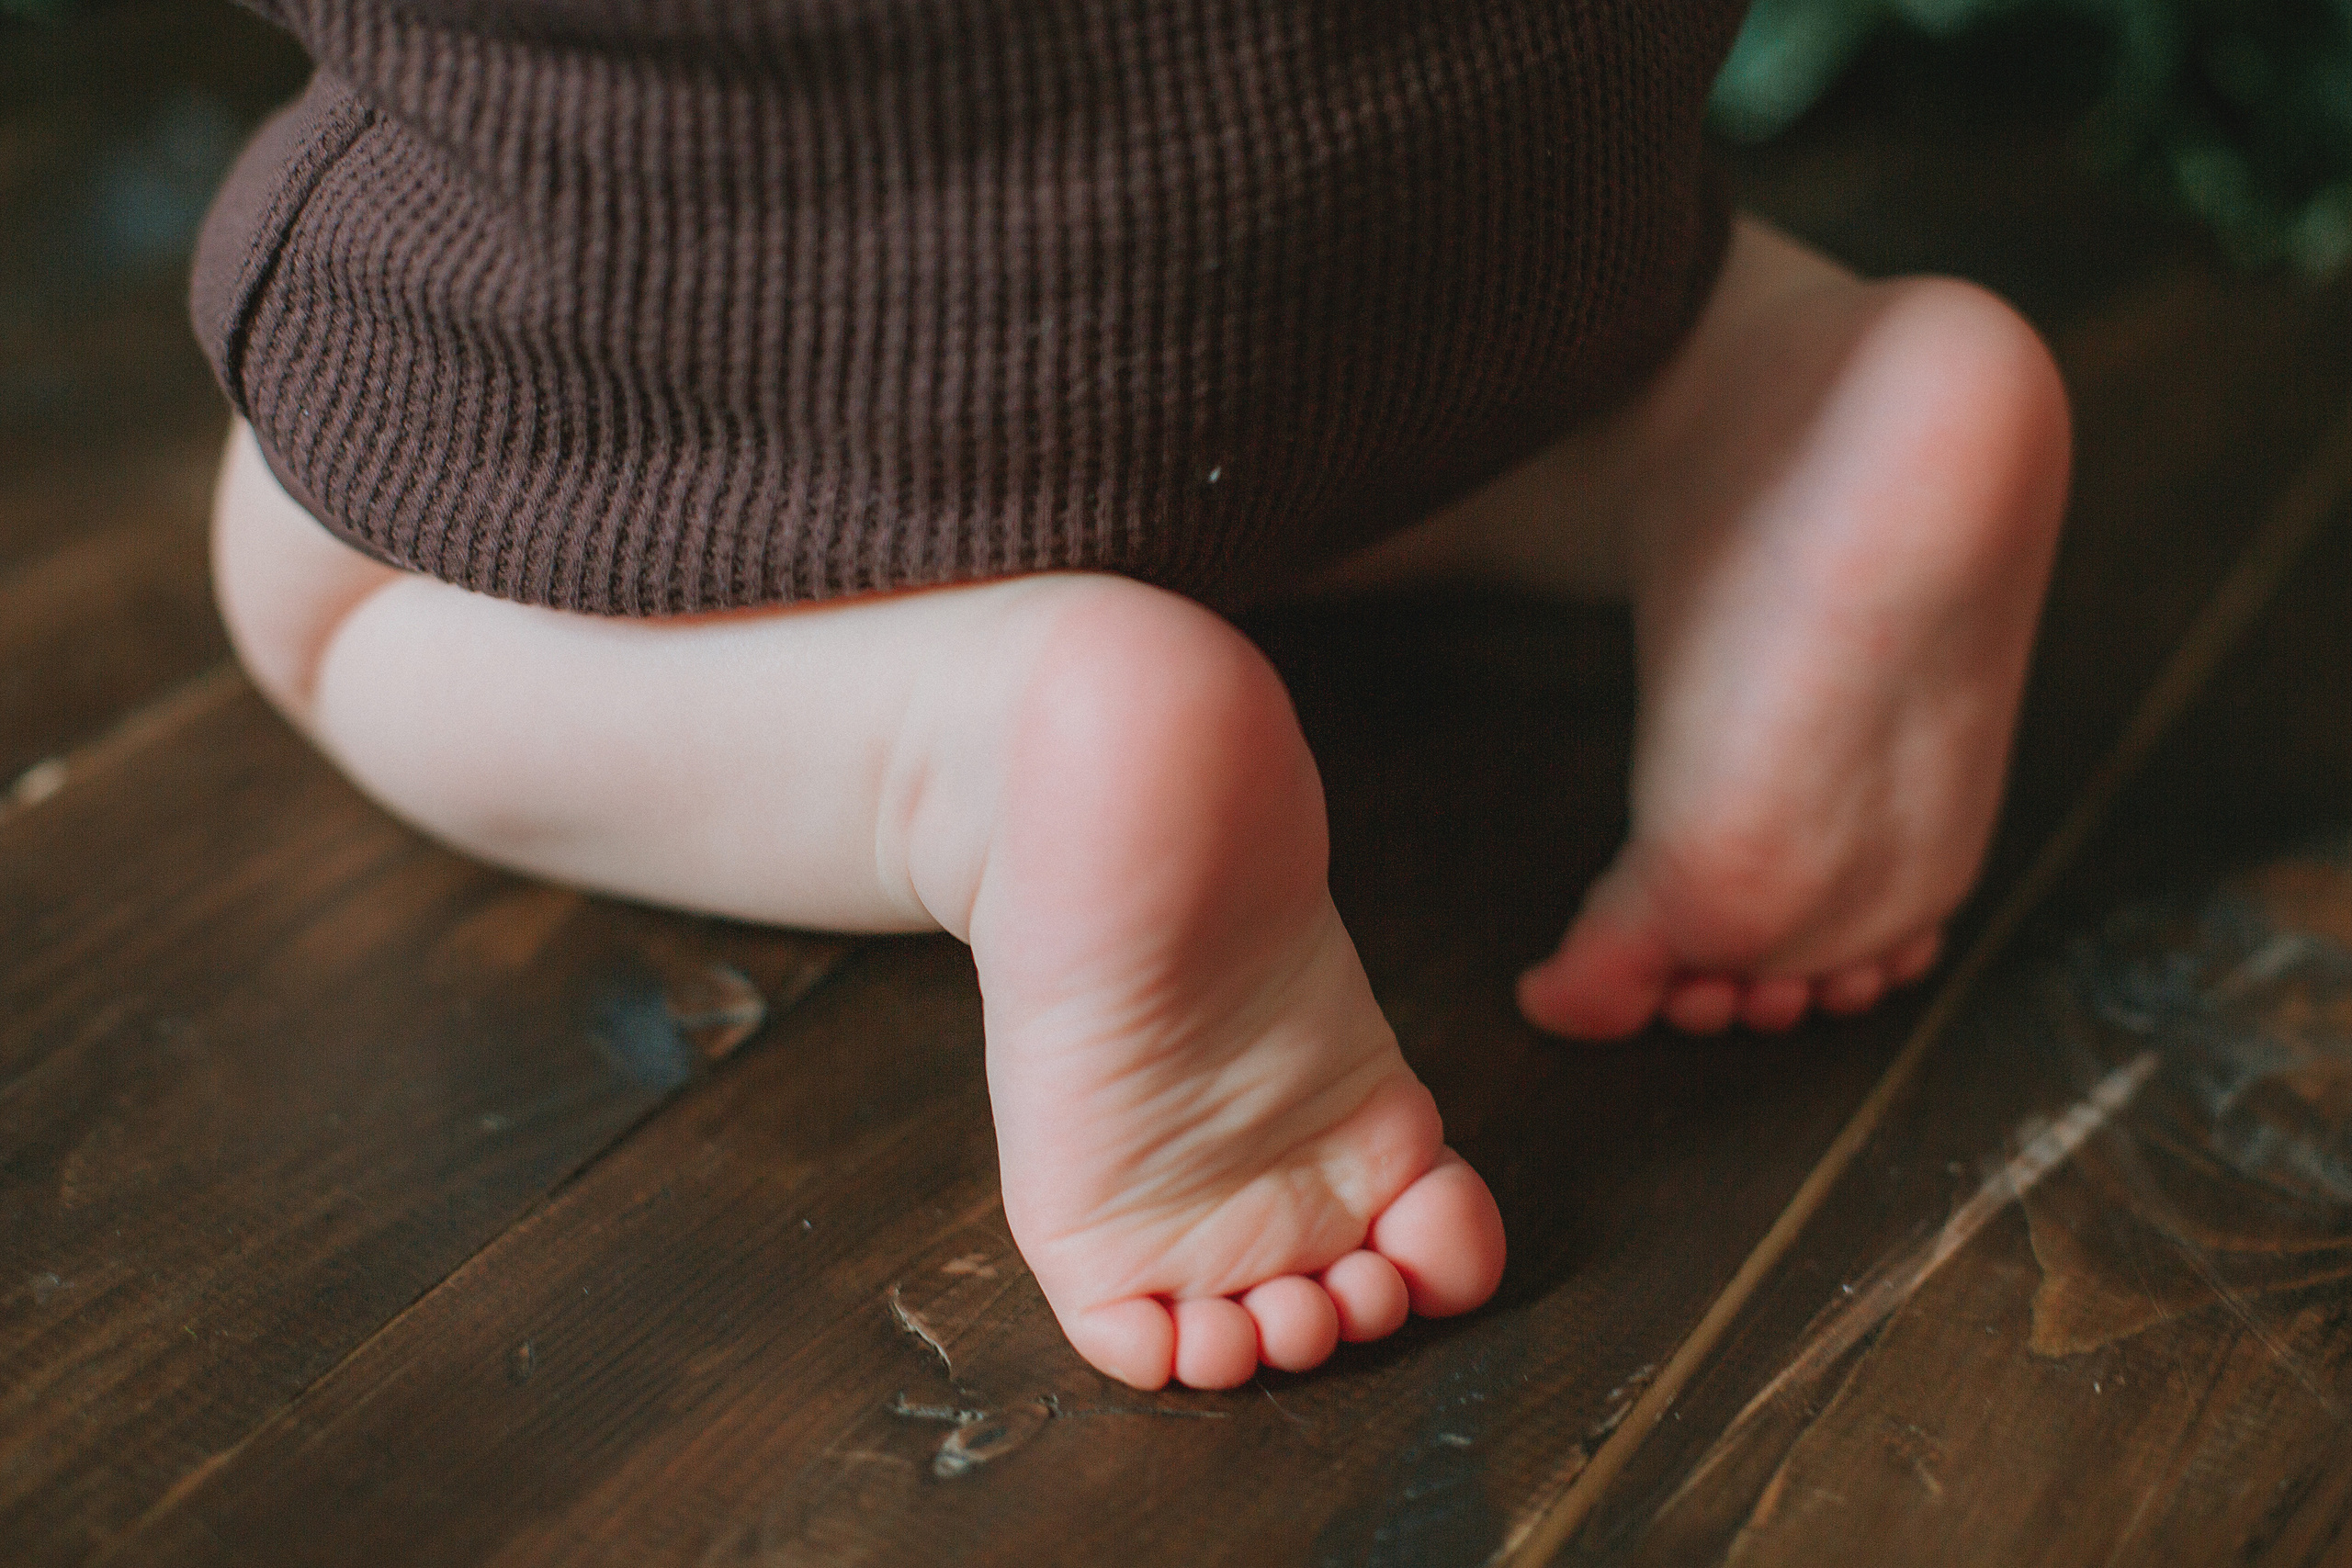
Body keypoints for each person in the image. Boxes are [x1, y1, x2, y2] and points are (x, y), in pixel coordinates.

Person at [198, 0, 2069, 1393]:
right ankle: (1782, 423)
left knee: (317, 572)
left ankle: (993, 744)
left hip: (805, 302)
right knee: (1314, 272)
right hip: (1495, 221)